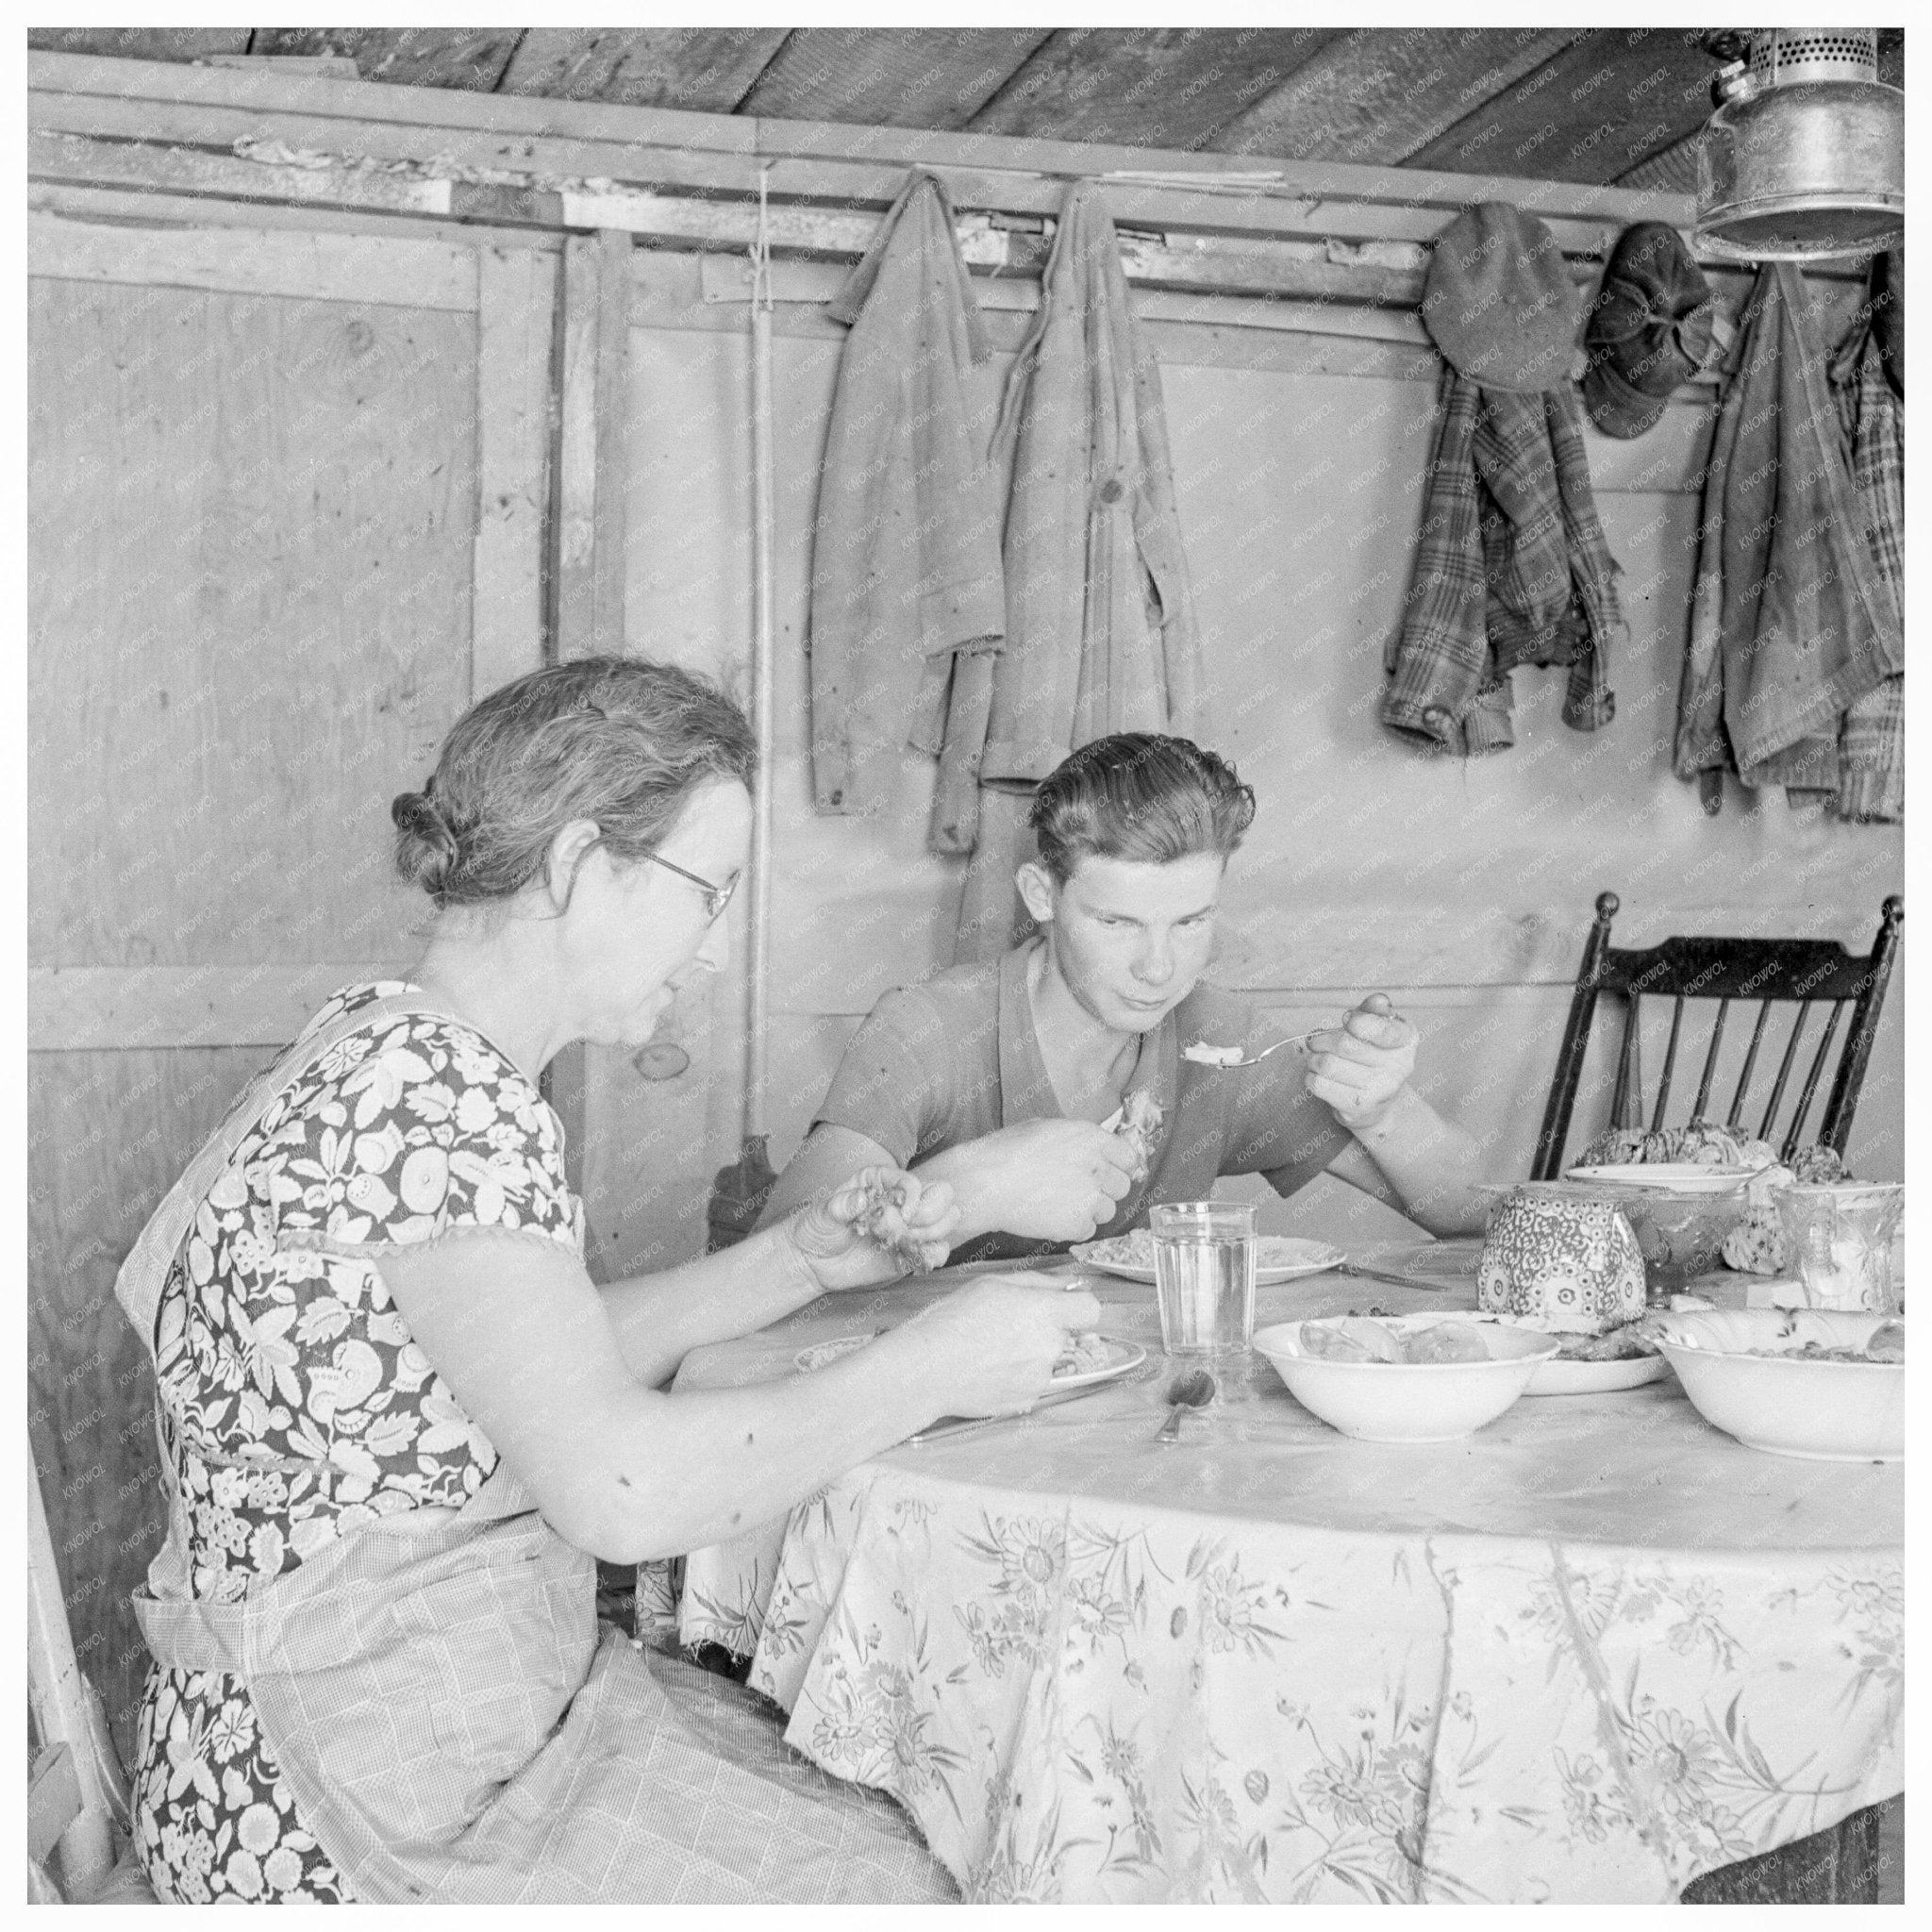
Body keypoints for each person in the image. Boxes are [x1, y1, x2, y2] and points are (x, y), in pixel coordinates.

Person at [122, 656, 1100, 1905]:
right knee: (916, 1872)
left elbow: (525, 1363)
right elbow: (623, 1493)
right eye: (710, 892)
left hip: (299, 1733)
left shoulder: (386, 1047)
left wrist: (795, 1261)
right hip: (335, 1808)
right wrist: (932, 1367)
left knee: (890, 1818)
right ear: (583, 864)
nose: (712, 950)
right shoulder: (445, 1103)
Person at [760, 733, 1491, 1259]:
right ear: (1042, 897)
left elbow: (1469, 1213)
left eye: (1192, 921)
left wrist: (1389, 1110)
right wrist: (972, 1191)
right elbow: (777, 1255)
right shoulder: (929, 1030)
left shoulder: (1219, 1041)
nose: (1159, 968)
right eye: (1117, 923)